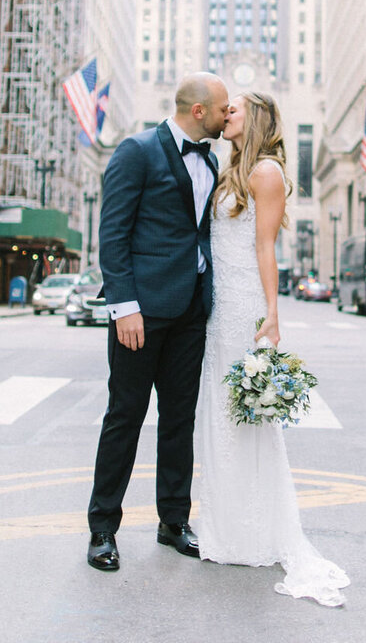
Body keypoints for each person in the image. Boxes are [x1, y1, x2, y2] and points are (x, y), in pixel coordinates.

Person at [197, 92, 350, 607]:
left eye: (233, 109)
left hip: (244, 307)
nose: (225, 113)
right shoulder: (230, 167)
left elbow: (265, 246)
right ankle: (226, 526)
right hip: (219, 308)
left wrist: (272, 312)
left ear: (255, 118)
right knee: (220, 418)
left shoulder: (265, 171)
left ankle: (254, 533)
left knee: (244, 419)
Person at [87, 72, 230, 572]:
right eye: (222, 108)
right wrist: (124, 306)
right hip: (141, 314)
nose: (226, 115)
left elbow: (200, 233)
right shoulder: (136, 150)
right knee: (125, 417)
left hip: (190, 311)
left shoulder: (210, 158)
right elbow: (114, 233)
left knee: (178, 420)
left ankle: (173, 521)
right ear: (198, 111)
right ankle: (102, 528)